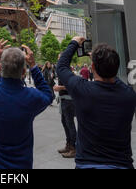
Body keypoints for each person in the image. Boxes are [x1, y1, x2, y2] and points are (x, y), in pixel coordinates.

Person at [0, 41, 53, 169]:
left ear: (0, 68)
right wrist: (34, 66)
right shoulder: (31, 97)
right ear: (24, 72)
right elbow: (48, 94)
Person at [57, 38, 136, 170]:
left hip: (88, 164)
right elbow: (114, 77)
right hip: (122, 164)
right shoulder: (129, 95)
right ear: (116, 67)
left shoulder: (82, 90)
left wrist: (74, 43)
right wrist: (105, 64)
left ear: (92, 67)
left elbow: (61, 66)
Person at [54, 54, 77, 159]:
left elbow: (73, 85)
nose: (59, 59)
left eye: (60, 58)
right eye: (58, 58)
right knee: (65, 123)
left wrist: (60, 87)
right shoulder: (63, 70)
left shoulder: (67, 70)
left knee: (70, 124)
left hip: (69, 101)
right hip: (64, 101)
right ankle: (68, 145)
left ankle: (74, 148)